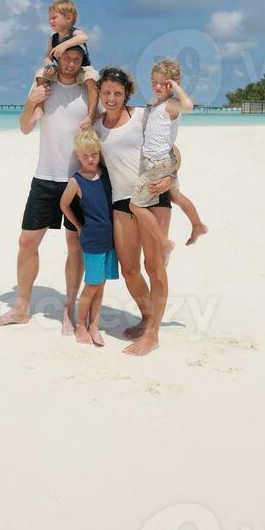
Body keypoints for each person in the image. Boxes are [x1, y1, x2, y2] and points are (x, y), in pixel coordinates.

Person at [0, 45, 90, 333]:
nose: (71, 63)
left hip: (77, 181)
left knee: (75, 246)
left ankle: (69, 309)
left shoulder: (87, 92)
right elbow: (24, 127)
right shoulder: (43, 88)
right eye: (66, 58)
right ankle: (21, 307)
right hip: (44, 178)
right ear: (57, 59)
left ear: (82, 61)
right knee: (27, 242)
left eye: (77, 59)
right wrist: (30, 102)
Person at [95, 68, 175, 357]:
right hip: (120, 202)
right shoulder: (97, 125)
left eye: (117, 93)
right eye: (106, 93)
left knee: (154, 267)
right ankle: (147, 316)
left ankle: (153, 333)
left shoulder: (142, 116)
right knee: (129, 270)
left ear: (127, 92)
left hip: (152, 196)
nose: (112, 98)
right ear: (100, 94)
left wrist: (171, 176)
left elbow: (172, 150)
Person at [129, 59, 206, 262]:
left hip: (157, 163)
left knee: (135, 206)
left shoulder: (171, 104)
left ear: (174, 83)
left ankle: (163, 241)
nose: (157, 87)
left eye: (164, 83)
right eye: (154, 82)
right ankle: (197, 224)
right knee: (176, 196)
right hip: (166, 162)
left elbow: (188, 106)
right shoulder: (157, 105)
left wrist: (177, 89)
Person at [60, 128, 119, 347]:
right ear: (77, 156)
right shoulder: (76, 181)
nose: (90, 159)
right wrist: (78, 226)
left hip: (109, 239)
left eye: (94, 154)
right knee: (91, 284)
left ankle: (94, 325)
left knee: (101, 285)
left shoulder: (105, 174)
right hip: (92, 240)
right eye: (85, 155)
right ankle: (80, 325)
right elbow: (63, 204)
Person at [31, 0, 99, 128]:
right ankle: (39, 107)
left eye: (54, 17)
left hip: (82, 69)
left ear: (68, 17)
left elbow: (85, 38)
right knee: (41, 74)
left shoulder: (75, 33)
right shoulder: (53, 38)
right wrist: (48, 65)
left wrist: (65, 45)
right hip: (61, 69)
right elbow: (47, 57)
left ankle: (91, 115)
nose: (51, 21)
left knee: (92, 80)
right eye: (49, 18)